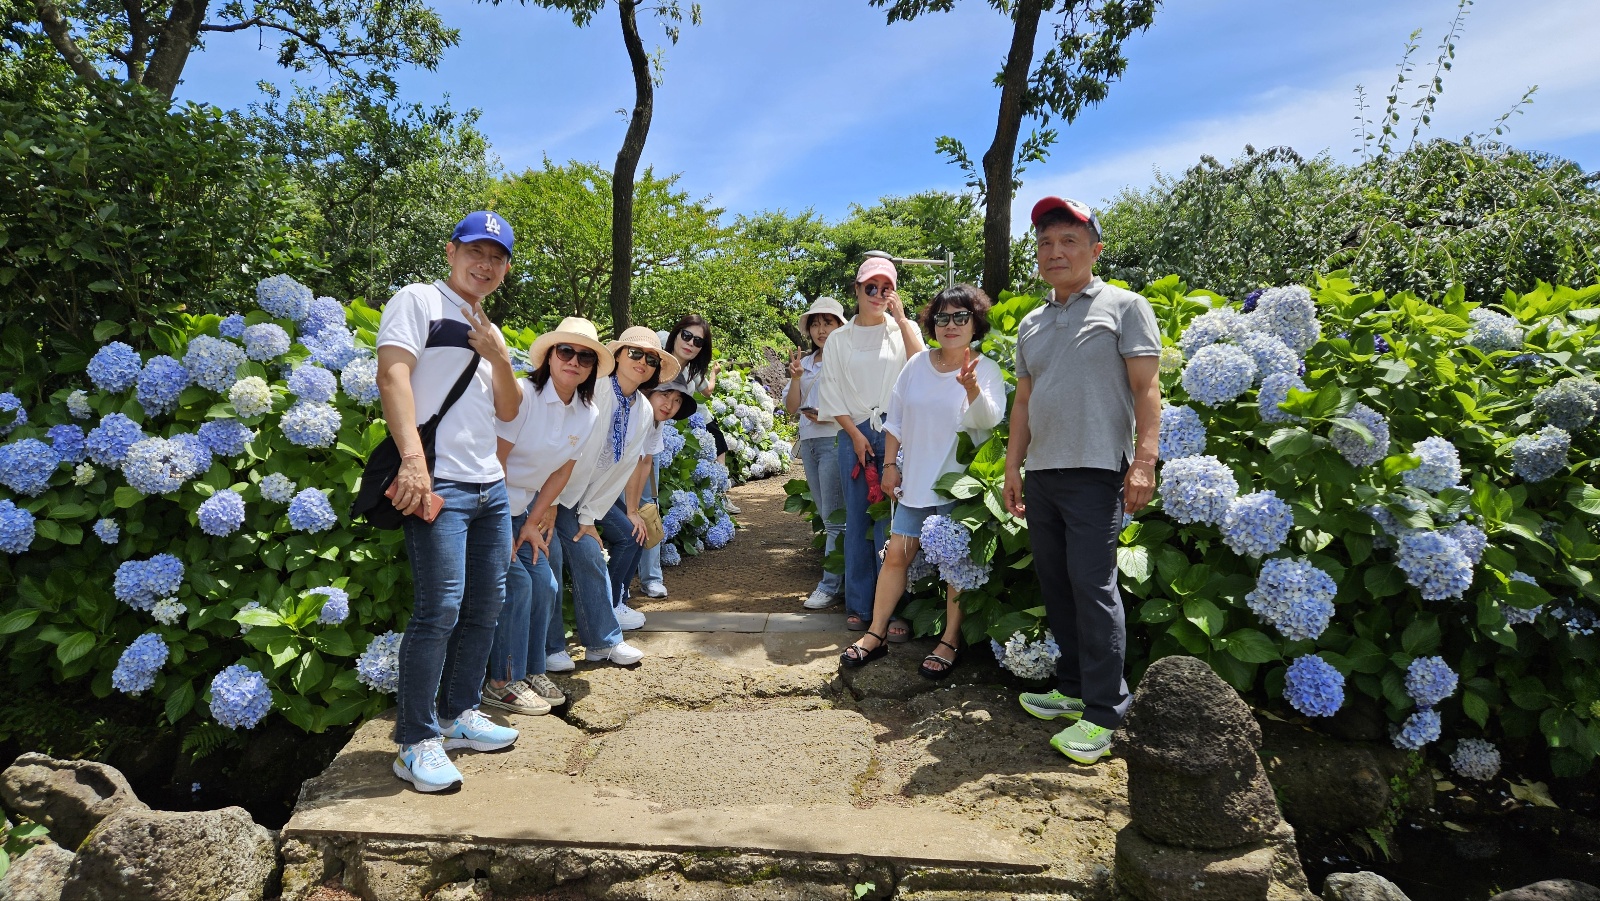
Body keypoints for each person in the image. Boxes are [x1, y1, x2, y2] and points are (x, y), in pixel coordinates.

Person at [1002, 197, 1161, 765]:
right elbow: (1024, 401)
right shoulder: (1032, 323)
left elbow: (1146, 389)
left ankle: (1106, 712)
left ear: (1095, 249)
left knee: (1093, 588)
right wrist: (1013, 466)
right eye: (1045, 243)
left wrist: (1145, 460)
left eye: (1069, 240)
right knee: (1058, 584)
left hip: (1097, 471)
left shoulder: (1125, 306)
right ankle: (1072, 690)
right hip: (1043, 472)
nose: (1055, 252)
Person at [376, 210, 523, 793]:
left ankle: (459, 713)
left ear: (505, 269)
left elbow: (509, 410)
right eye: (475, 252)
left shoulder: (489, 327)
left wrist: (499, 356)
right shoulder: (418, 300)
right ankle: (414, 740)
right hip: (440, 483)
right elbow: (393, 378)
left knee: (486, 605)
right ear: (451, 251)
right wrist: (413, 461)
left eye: (496, 258)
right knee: (438, 609)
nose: (484, 265)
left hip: (490, 486)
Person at [839, 285, 1005, 678]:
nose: (951, 325)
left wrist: (971, 388)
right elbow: (895, 419)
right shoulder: (916, 365)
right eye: (943, 317)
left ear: (975, 322)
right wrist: (890, 465)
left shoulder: (986, 369)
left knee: (955, 564)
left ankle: (949, 640)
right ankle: (877, 633)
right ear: (932, 324)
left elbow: (989, 421)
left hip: (960, 484)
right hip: (915, 480)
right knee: (897, 555)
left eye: (961, 316)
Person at [480, 318, 608, 717]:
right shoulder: (524, 396)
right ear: (550, 356)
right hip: (486, 505)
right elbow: (495, 462)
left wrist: (531, 524)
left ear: (592, 367)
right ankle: (500, 683)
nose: (574, 361)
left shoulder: (587, 412)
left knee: (546, 583)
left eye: (585, 356)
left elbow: (561, 473)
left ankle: (531, 671)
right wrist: (502, 525)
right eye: (565, 351)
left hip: (522, 509)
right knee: (518, 585)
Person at [545, 326, 679, 668]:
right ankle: (550, 648)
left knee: (590, 554)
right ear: (617, 355)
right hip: (547, 490)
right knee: (549, 558)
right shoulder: (595, 389)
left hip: (579, 499)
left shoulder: (643, 409)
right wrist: (549, 502)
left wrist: (589, 515)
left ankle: (601, 643)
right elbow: (566, 447)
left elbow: (622, 469)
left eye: (651, 359)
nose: (642, 362)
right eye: (634, 353)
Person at [816, 258, 926, 633]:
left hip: (897, 431)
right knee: (859, 519)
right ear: (857, 289)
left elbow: (923, 365)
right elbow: (831, 389)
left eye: (886, 288)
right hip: (854, 432)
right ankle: (860, 605)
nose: (878, 294)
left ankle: (892, 610)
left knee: (893, 522)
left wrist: (902, 318)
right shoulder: (839, 339)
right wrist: (855, 434)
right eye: (871, 287)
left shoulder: (902, 329)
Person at [783, 296, 847, 610]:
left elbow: (859, 405)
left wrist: (828, 415)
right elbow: (791, 407)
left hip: (835, 440)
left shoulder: (848, 360)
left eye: (828, 323)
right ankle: (844, 581)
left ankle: (830, 586)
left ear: (840, 326)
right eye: (816, 324)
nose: (821, 330)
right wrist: (796, 378)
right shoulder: (805, 363)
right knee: (827, 516)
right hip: (809, 443)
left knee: (835, 520)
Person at [664, 313, 738, 513]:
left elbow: (707, 392)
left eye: (697, 341)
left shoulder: (693, 369)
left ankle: (720, 496)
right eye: (686, 335)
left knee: (717, 448)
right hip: (680, 423)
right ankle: (720, 496)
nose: (690, 343)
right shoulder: (660, 357)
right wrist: (714, 374)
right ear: (676, 334)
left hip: (691, 420)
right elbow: (708, 391)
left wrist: (712, 373)